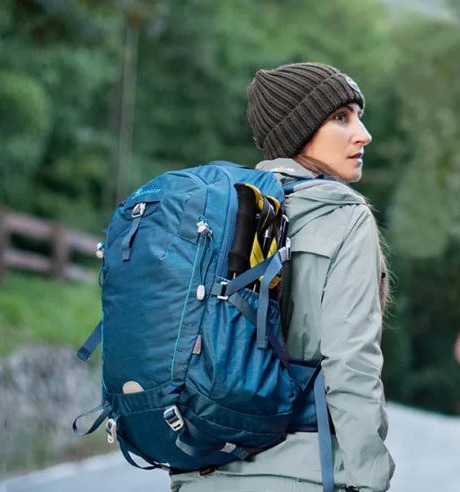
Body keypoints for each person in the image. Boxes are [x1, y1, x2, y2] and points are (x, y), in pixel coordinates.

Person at [171, 62, 394, 492]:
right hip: (305, 473)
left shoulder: (221, 212)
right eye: (341, 118)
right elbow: (352, 364)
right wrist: (371, 479)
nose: (362, 133)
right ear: (299, 131)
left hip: (202, 473)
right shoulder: (344, 218)